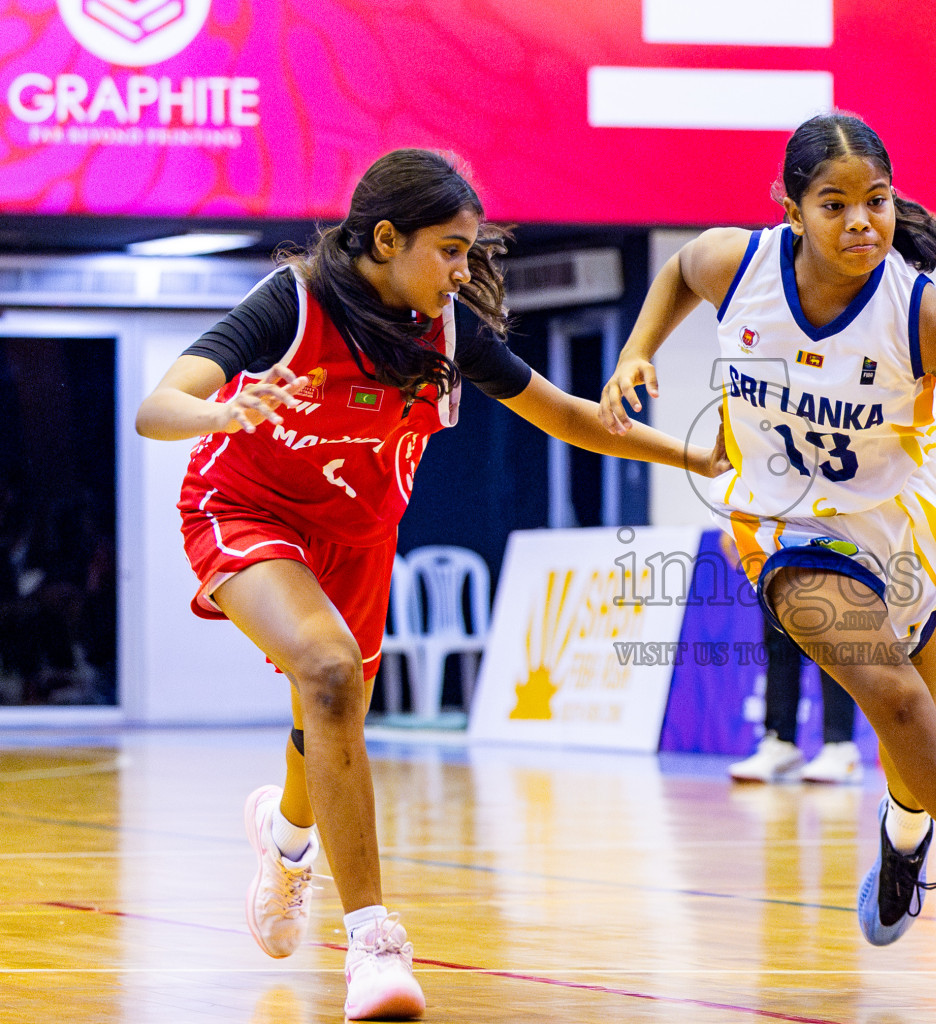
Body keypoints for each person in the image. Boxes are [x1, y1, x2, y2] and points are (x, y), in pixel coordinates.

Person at [135, 150, 724, 1022]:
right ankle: (373, 947)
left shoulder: (446, 333)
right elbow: (157, 407)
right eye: (449, 249)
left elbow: (565, 416)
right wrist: (220, 410)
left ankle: (287, 838)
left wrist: (690, 453)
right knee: (331, 673)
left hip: (358, 537)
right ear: (385, 239)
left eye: (468, 251)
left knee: (328, 711)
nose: (463, 269)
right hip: (245, 507)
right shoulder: (292, 303)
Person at [598, 113, 936, 982]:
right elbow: (677, 272)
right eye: (834, 204)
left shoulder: (923, 316)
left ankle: (903, 838)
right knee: (899, 706)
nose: (860, 223)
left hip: (902, 525)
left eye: (875, 202)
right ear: (791, 208)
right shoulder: (738, 266)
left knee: (914, 735)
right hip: (785, 529)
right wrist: (635, 353)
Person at [719, 532, 864, 784]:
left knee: (831, 626)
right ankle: (780, 742)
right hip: (779, 519)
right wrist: (731, 523)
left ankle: (840, 746)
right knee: (778, 629)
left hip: (832, 514)